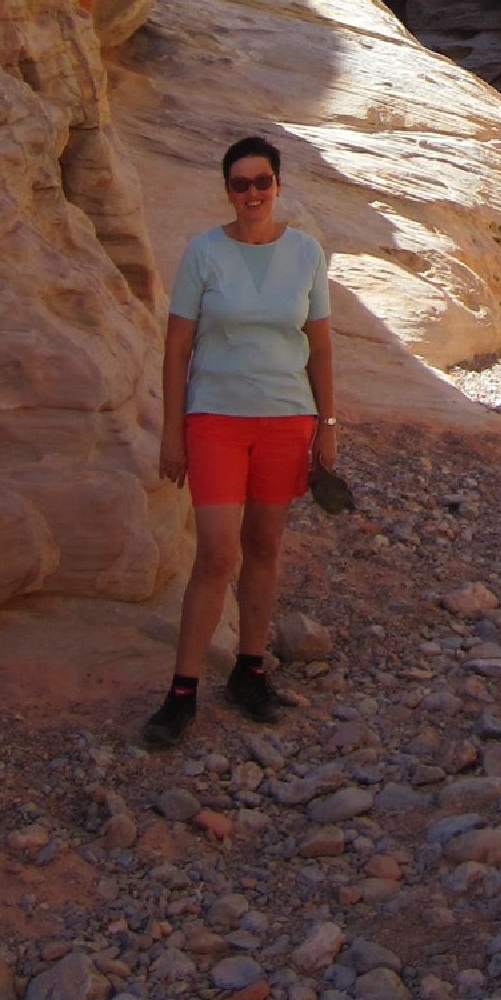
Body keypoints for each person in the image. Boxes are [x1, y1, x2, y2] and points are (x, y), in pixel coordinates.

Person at [140, 133, 338, 745]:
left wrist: (328, 428)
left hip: (286, 418)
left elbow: (320, 346)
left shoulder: (306, 253)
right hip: (216, 418)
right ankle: (181, 692)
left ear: (279, 185)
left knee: (265, 545)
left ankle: (250, 671)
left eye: (262, 182)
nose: (253, 193)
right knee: (217, 553)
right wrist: (172, 431)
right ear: (227, 190)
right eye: (240, 184)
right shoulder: (204, 252)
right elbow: (177, 346)